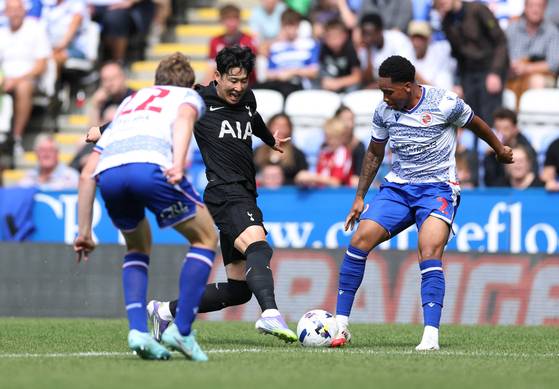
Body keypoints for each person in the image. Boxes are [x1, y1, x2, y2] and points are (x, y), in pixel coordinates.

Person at [330, 55, 513, 350]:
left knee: (428, 251)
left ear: (407, 86)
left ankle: (430, 336)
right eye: (382, 92)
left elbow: (475, 123)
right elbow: (375, 153)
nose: (385, 98)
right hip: (398, 188)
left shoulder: (444, 102)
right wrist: (360, 196)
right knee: (359, 241)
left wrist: (499, 148)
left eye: (389, 92)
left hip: (437, 189)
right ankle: (340, 325)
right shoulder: (384, 112)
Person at [128, 46, 296, 342]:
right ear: (217, 76)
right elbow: (153, 113)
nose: (238, 87)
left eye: (244, 81)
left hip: (245, 192)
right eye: (232, 80)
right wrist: (104, 129)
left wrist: (270, 140)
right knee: (259, 246)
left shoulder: (247, 98)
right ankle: (270, 313)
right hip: (225, 192)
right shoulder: (196, 100)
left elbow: (252, 119)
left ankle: (165, 311)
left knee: (239, 289)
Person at [74, 53, 218, 361]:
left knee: (138, 247)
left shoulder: (131, 102)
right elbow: (183, 119)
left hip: (110, 174)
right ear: (189, 84)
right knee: (205, 238)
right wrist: (178, 163)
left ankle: (138, 330)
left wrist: (83, 231)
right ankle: (181, 329)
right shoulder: (187, 95)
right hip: (152, 168)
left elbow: (87, 173)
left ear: (156, 82)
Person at [436, 0, 509, 128]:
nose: (440, 2)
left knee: (489, 118)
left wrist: (495, 72)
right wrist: (458, 82)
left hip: (489, 68)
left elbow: (500, 42)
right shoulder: (446, 21)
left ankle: (492, 148)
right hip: (468, 72)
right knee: (469, 119)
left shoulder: (478, 10)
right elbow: (457, 55)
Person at [0, 0, 51, 156]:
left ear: (24, 11)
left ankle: (16, 137)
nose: (14, 13)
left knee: (23, 87)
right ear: (5, 12)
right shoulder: (2, 33)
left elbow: (41, 65)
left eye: (17, 9)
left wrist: (15, 80)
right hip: (5, 78)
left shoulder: (36, 29)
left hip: (29, 78)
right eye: (11, 9)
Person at [259, 8, 320, 98]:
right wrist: (280, 75)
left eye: (293, 25)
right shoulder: (275, 47)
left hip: (299, 84)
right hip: (278, 83)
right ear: (282, 26)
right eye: (287, 25)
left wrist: (292, 72)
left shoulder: (310, 44)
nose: (290, 29)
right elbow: (267, 73)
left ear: (299, 25)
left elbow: (314, 72)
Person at [506, 0, 559, 102]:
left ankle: (532, 117)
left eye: (539, 6)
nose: (535, 10)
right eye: (532, 6)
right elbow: (502, 54)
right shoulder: (512, 28)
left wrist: (526, 68)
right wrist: (511, 65)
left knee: (536, 81)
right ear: (525, 7)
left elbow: (554, 63)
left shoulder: (552, 31)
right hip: (512, 74)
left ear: (545, 9)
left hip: (539, 75)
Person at [357, 13, 414, 89]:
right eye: (364, 34)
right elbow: (368, 80)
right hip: (379, 89)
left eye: (370, 34)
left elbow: (404, 73)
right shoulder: (364, 50)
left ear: (380, 31)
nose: (367, 38)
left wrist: (378, 85)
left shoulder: (398, 39)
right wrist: (368, 53)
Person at [483, 107, 537, 187]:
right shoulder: (491, 152)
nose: (501, 133)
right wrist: (492, 155)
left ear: (515, 129)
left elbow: (534, 175)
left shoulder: (526, 149)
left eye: (506, 129)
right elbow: (489, 182)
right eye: (498, 129)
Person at [204, 4, 257, 84]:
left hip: (246, 85)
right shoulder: (215, 41)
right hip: (222, 86)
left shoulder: (249, 40)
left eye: (235, 18)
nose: (232, 23)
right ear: (221, 21)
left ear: (239, 20)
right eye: (228, 19)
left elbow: (249, 69)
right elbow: (211, 68)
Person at [295, 117, 355, 187]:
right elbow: (320, 178)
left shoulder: (343, 153)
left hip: (339, 195)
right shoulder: (324, 153)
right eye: (327, 137)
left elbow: (336, 182)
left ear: (341, 137)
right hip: (323, 194)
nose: (329, 141)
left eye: (333, 137)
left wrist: (312, 177)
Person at [253, 113, 308, 185]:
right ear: (268, 127)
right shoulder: (257, 152)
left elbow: (303, 177)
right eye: (276, 125)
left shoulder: (297, 154)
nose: (280, 129)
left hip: (287, 194)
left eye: (284, 126)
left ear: (290, 129)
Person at [407, 20, 456, 90]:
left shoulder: (440, 55)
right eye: (414, 38)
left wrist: (417, 76)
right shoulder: (405, 54)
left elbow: (443, 93)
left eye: (421, 38)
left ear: (429, 39)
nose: (417, 42)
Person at [319, 18, 361, 93]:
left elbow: (357, 77)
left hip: (347, 88)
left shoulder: (350, 50)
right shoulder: (323, 49)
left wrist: (338, 83)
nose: (333, 41)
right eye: (329, 37)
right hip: (330, 87)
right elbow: (320, 72)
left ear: (345, 36)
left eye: (336, 37)